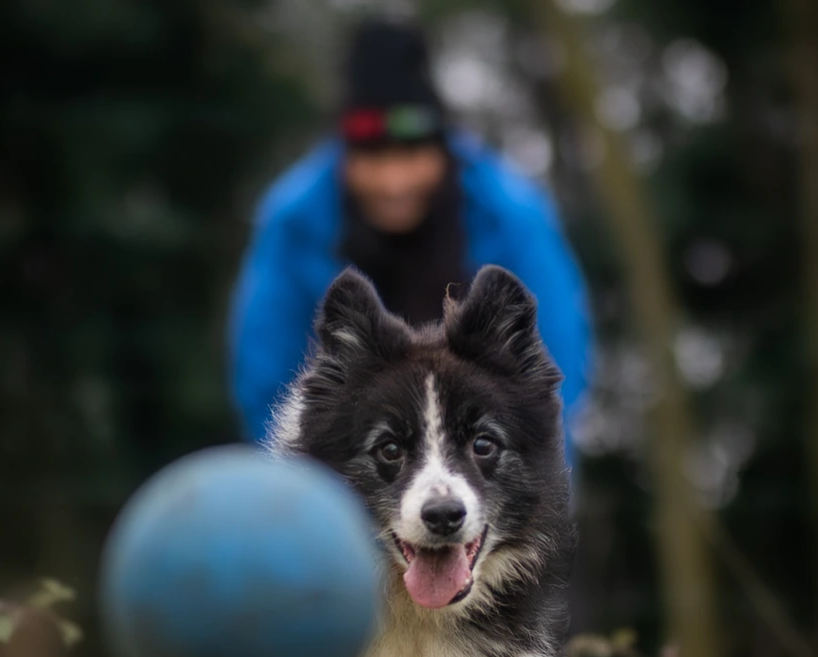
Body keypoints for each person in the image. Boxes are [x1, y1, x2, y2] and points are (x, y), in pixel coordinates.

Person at [228, 17, 592, 459]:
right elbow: (268, 386)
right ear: (344, 154)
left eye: (411, 152)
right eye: (372, 156)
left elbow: (553, 381)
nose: (394, 182)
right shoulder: (292, 222)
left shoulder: (513, 218)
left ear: (444, 145)